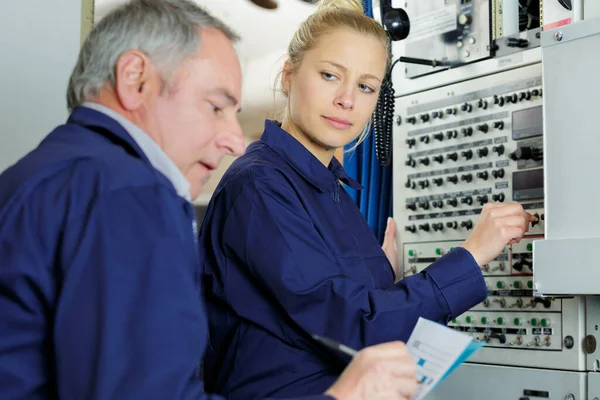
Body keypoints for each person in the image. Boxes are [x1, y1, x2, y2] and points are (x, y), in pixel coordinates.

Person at [0, 1, 419, 399]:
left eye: (366, 87)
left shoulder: (39, 174)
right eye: (216, 107)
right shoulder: (128, 191)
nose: (234, 141)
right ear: (135, 79)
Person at [198, 0, 538, 399]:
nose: (347, 100)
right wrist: (473, 253)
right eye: (329, 75)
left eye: (366, 86)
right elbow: (357, 323)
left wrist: (381, 279)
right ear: (289, 75)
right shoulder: (259, 185)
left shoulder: (330, 190)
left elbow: (343, 309)